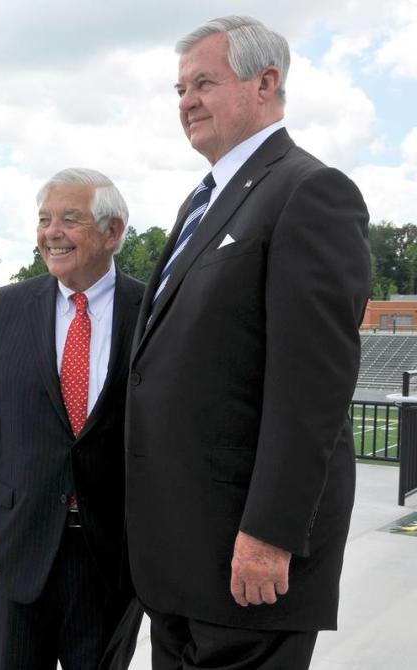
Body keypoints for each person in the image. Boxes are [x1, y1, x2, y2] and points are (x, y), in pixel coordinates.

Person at [124, 16, 371, 670]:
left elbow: (310, 391)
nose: (186, 102)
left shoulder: (309, 192)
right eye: (179, 89)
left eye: (204, 82)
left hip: (246, 565)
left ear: (266, 83)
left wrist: (268, 536)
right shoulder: (205, 200)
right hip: (183, 559)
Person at [0, 168, 146, 669]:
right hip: (19, 546)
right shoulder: (5, 308)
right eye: (44, 220)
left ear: (112, 231)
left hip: (110, 553)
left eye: (70, 219)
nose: (51, 233)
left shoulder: (151, 311)